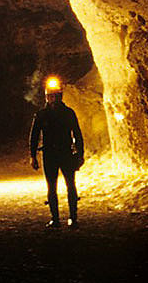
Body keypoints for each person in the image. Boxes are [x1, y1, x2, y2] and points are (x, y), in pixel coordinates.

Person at [29, 75, 84, 227]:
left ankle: (73, 217)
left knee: (71, 185)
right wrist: (32, 156)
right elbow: (34, 136)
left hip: (66, 153)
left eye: (55, 96)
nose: (52, 99)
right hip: (50, 155)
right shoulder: (41, 115)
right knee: (51, 187)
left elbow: (77, 134)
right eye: (50, 96)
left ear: (60, 96)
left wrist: (80, 154)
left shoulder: (68, 113)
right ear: (47, 97)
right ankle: (55, 219)